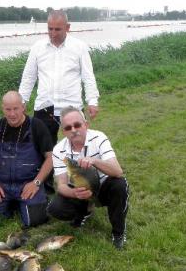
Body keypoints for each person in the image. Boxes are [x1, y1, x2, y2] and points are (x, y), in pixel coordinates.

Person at [47, 106, 129, 249]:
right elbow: (61, 185)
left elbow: (117, 171)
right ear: (63, 131)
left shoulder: (99, 137)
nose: (73, 130)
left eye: (77, 125)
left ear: (86, 124)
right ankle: (85, 210)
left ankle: (118, 232)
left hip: (104, 187)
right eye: (68, 127)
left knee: (120, 185)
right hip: (80, 190)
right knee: (55, 208)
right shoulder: (58, 149)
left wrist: (95, 161)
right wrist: (74, 193)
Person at [18, 9, 100, 143]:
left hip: (72, 106)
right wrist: (22, 101)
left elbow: (88, 76)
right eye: (50, 29)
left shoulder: (79, 47)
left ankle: (78, 164)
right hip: (45, 107)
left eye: (57, 29)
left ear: (67, 27)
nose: (53, 33)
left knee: (79, 144)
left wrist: (92, 101)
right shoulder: (37, 48)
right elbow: (28, 77)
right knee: (44, 150)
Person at [0, 91, 53, 228]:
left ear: (23, 107)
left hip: (28, 182)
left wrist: (36, 183)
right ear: (2, 108)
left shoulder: (37, 126)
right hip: (2, 184)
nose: (12, 114)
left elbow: (50, 158)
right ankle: (12, 203)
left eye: (16, 108)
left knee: (35, 221)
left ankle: (38, 200)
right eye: (8, 109)